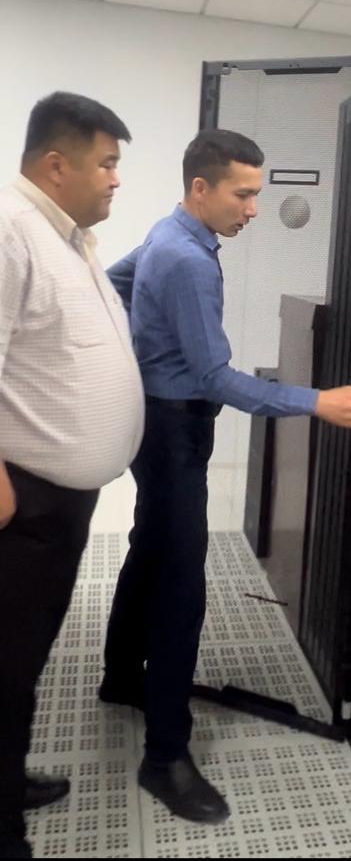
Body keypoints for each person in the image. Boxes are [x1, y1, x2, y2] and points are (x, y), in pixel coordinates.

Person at [99, 128, 351, 824]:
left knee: (150, 548)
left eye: (257, 194)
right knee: (181, 587)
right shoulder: (188, 260)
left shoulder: (168, 233)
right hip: (174, 431)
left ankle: (122, 678)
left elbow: (111, 284)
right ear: (200, 188)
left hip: (153, 423)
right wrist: (316, 402)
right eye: (243, 194)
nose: (254, 209)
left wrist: (136, 355)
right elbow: (215, 376)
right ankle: (164, 757)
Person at [0, 92, 144, 860]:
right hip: (23, 503)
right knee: (4, 668)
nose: (116, 178)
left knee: (22, 661)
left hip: (58, 501)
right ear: (57, 166)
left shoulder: (68, 236)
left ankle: (6, 780)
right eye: (107, 163)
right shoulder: (10, 231)